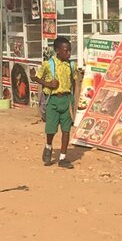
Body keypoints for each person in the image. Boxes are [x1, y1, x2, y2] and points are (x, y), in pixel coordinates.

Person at [36, 36, 77, 168]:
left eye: (70, 50)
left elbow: (74, 81)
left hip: (66, 100)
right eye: (66, 51)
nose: (68, 53)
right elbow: (36, 77)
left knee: (66, 130)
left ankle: (63, 158)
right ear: (57, 51)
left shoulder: (71, 65)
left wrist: (72, 99)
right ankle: (48, 147)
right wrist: (48, 84)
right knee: (51, 129)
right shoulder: (48, 64)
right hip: (53, 100)